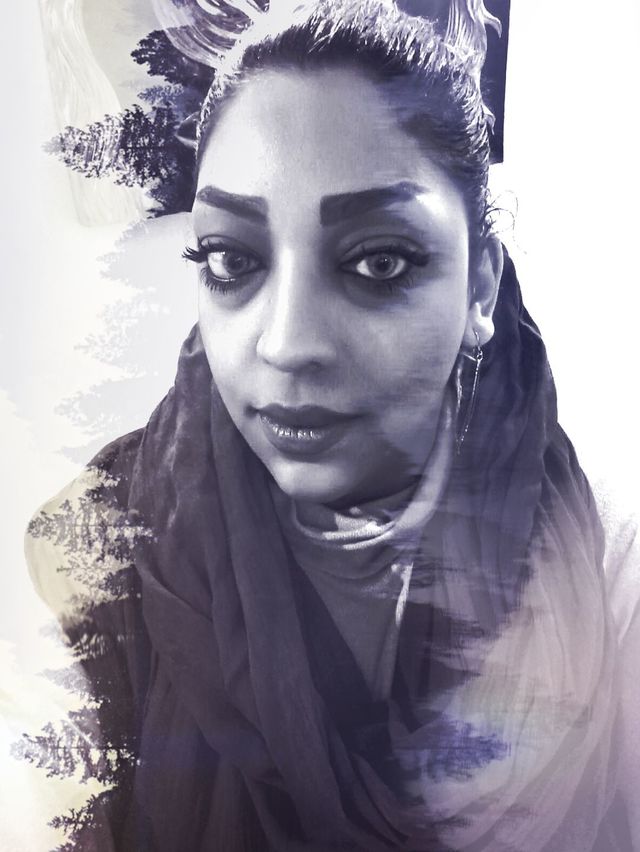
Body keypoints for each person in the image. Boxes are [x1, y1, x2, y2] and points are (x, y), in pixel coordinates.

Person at [24, 0, 640, 849]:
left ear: (480, 288)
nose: (286, 345)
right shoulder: (88, 556)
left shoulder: (605, 564)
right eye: (232, 260)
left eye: (378, 262)